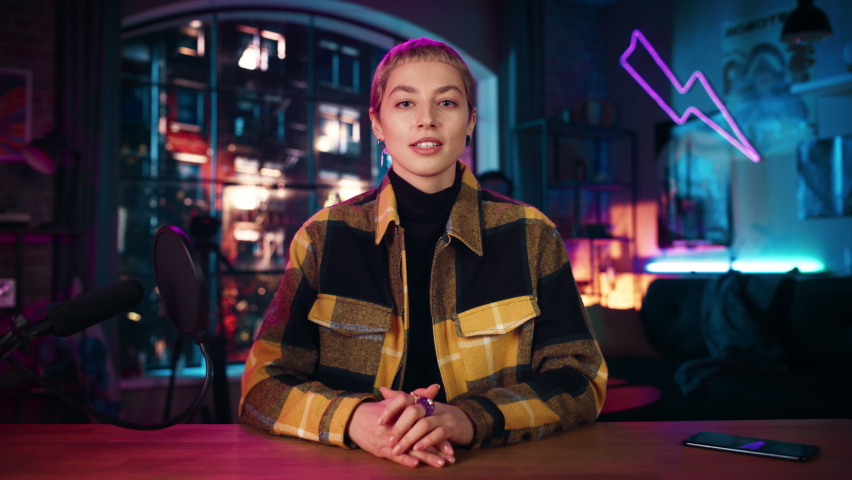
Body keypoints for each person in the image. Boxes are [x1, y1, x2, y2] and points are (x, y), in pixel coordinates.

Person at [240, 37, 606, 468]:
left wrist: (470, 418)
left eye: (447, 103)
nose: (427, 120)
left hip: (495, 467)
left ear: (470, 121)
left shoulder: (532, 234)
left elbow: (581, 377)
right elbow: (261, 384)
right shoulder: (323, 238)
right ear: (377, 123)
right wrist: (355, 419)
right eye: (405, 103)